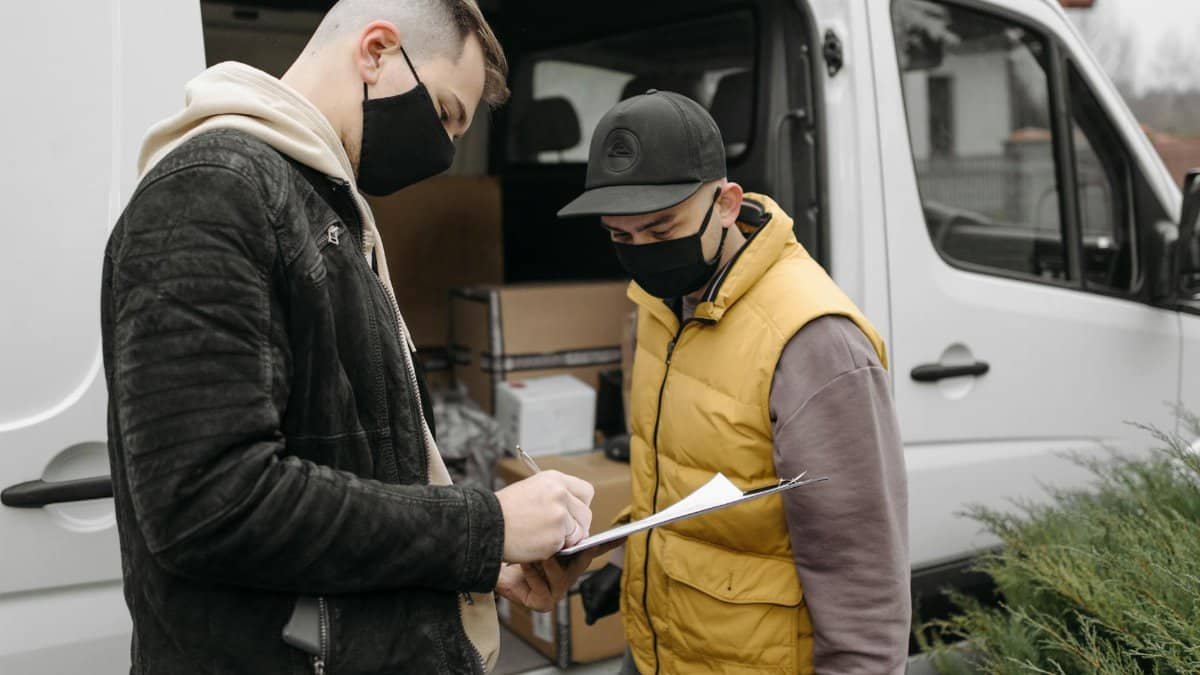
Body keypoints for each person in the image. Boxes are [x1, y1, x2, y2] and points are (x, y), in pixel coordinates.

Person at [101, 2, 599, 673]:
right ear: (377, 50)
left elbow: (358, 469)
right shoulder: (213, 191)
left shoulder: (319, 204)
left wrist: (474, 563)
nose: (445, 151)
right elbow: (212, 503)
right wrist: (486, 525)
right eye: (445, 112)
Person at [559, 91, 911, 674]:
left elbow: (861, 574)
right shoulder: (662, 305)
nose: (643, 253)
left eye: (660, 228)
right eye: (621, 237)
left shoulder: (813, 340)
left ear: (726, 204)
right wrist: (625, 560)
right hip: (662, 651)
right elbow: (684, 478)